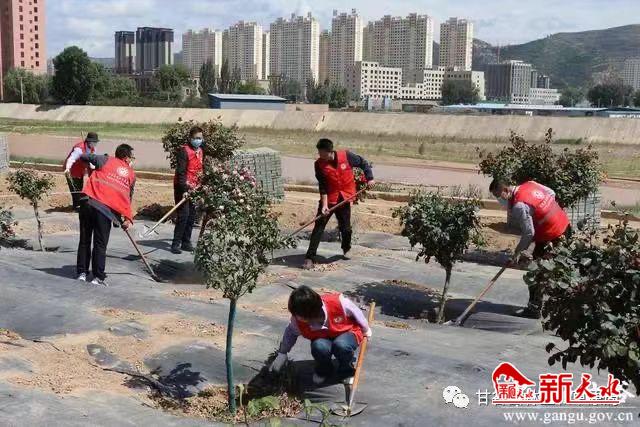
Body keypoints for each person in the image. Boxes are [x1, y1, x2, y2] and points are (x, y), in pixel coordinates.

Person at [490, 179, 571, 318]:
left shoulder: (519, 206)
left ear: (506, 190)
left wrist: (516, 254)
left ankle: (535, 309)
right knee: (556, 270)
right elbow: (552, 193)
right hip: (564, 226)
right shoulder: (530, 184)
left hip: (553, 235)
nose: (499, 200)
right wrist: (544, 215)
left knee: (536, 273)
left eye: (498, 196)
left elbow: (529, 233)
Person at [269, 285, 372, 385]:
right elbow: (290, 334)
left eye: (300, 316)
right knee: (319, 346)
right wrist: (282, 353)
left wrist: (366, 329)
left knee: (341, 345)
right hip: (323, 338)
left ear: (312, 312)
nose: (297, 318)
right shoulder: (297, 319)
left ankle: (346, 371)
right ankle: (324, 370)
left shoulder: (338, 303)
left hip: (347, 332)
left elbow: (357, 313)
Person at [303, 139, 374, 270]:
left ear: (329, 151)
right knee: (318, 227)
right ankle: (309, 257)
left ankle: (346, 248)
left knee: (346, 228)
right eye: (318, 152)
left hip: (344, 198)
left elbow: (363, 163)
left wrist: (370, 178)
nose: (319, 155)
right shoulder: (319, 164)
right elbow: (322, 186)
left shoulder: (346, 156)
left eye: (321, 152)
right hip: (329, 200)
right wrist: (324, 205)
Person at [76, 144, 136, 286]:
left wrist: (91, 165)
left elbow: (83, 156)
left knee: (84, 241)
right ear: (126, 158)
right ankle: (98, 277)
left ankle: (82, 273)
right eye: (131, 157)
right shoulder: (131, 175)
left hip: (88, 204)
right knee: (100, 244)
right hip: (104, 211)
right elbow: (127, 198)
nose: (132, 160)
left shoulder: (104, 159)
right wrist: (127, 218)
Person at [171, 126, 204, 254]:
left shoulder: (200, 151)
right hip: (182, 187)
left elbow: (199, 170)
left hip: (194, 187)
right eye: (196, 138)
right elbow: (181, 172)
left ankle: (186, 242)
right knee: (183, 215)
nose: (198, 140)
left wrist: (200, 186)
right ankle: (176, 243)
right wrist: (184, 189)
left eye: (200, 138)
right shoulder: (184, 151)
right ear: (190, 138)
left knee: (191, 215)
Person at [63, 132, 99, 210]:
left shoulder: (93, 149)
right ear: (89, 141)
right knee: (75, 188)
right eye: (94, 142)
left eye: (96, 142)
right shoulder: (79, 149)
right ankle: (76, 206)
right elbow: (71, 159)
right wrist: (67, 168)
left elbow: (93, 159)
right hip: (72, 170)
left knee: (80, 186)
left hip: (81, 169)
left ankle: (80, 204)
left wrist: (92, 168)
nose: (95, 144)